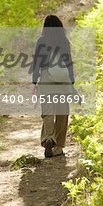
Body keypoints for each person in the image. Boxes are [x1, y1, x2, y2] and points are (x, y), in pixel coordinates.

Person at [32, 15, 75, 158]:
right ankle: (58, 147)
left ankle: (49, 138)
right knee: (62, 112)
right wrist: (71, 80)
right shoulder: (64, 41)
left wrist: (34, 81)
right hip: (62, 78)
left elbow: (37, 62)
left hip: (45, 77)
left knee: (48, 111)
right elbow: (69, 62)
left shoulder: (41, 41)